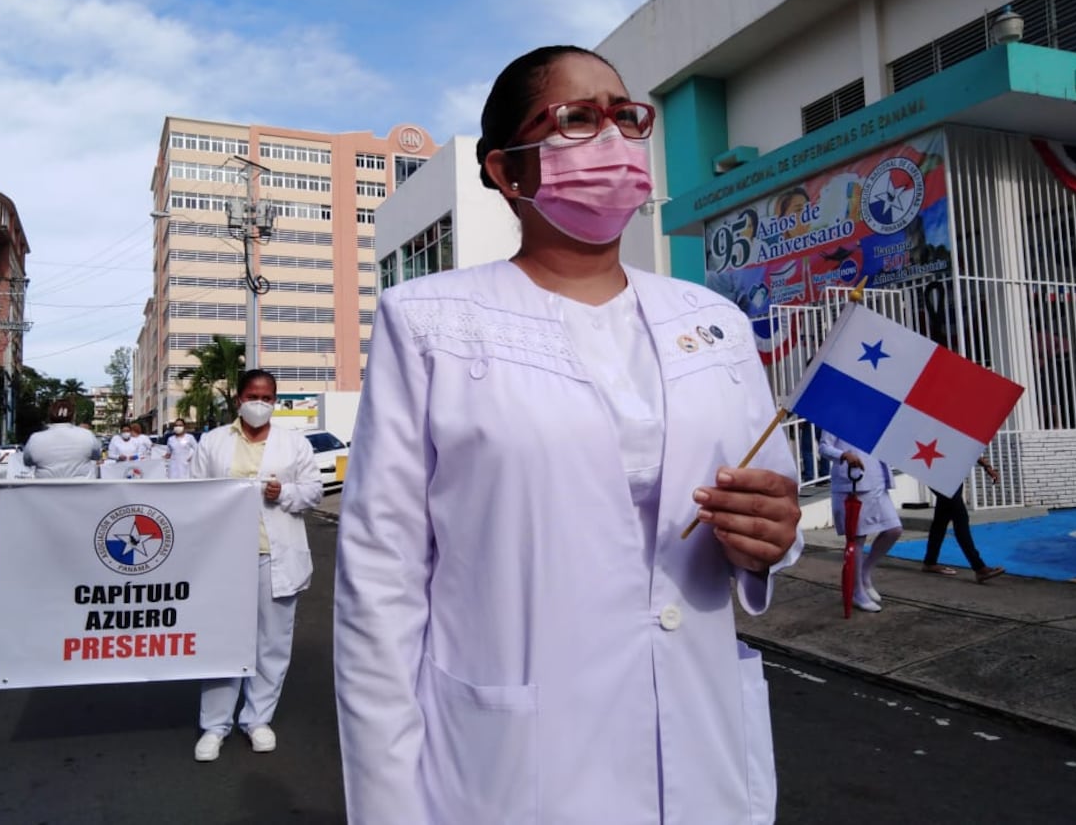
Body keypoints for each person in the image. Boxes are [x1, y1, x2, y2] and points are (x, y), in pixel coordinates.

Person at [333, 45, 803, 824]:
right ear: (508, 170)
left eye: (625, 115)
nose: (612, 138)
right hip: (520, 770)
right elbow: (380, 585)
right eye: (576, 119)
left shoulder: (712, 322)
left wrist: (771, 539)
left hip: (703, 747)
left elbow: (771, 509)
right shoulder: (427, 322)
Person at [190, 369, 322, 762]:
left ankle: (257, 719)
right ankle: (215, 726)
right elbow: (193, 493)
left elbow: (313, 490)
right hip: (225, 557)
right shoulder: (213, 442)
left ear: (275, 401)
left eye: (267, 398)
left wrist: (285, 492)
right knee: (223, 640)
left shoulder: (293, 444)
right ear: (238, 400)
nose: (259, 404)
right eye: (253, 396)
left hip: (274, 555)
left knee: (272, 643)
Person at [819, 432, 903, 612]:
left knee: (894, 530)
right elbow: (824, 448)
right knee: (857, 538)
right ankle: (857, 591)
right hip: (854, 482)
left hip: (878, 479)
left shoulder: (871, 415)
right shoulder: (836, 413)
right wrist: (843, 455)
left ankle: (864, 572)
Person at [923, 455, 1005, 583]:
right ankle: (979, 568)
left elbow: (966, 444)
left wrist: (986, 466)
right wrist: (986, 467)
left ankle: (929, 562)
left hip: (952, 476)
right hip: (936, 475)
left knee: (941, 521)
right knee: (960, 519)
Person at [22, 397, 100, 479]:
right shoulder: (87, 435)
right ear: (73, 416)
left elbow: (27, 462)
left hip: (45, 490)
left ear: (50, 416)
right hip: (82, 490)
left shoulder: (35, 439)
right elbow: (96, 456)